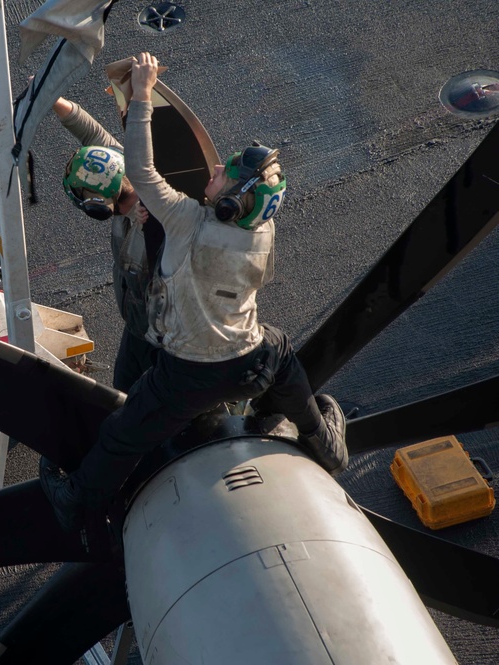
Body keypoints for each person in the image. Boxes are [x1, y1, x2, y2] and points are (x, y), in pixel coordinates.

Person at [41, 53, 348, 532]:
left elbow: (140, 169)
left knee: (123, 437)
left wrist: (142, 94)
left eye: (225, 175)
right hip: (251, 357)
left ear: (230, 202)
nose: (216, 171)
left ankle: (76, 503)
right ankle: (322, 442)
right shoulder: (261, 232)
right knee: (283, 355)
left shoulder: (183, 222)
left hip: (186, 371)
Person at [54, 96, 159, 392]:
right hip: (137, 327)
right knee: (122, 388)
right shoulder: (123, 171)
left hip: (167, 341)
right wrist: (54, 101)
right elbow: (93, 135)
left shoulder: (163, 222)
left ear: (99, 207)